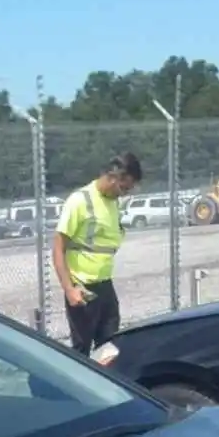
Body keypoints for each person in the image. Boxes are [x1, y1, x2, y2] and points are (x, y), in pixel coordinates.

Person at [52, 152, 142, 356]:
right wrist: (69, 290)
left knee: (110, 348)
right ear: (113, 176)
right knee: (81, 351)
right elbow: (58, 247)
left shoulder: (112, 203)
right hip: (82, 289)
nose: (124, 194)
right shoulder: (80, 201)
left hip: (104, 285)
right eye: (123, 187)